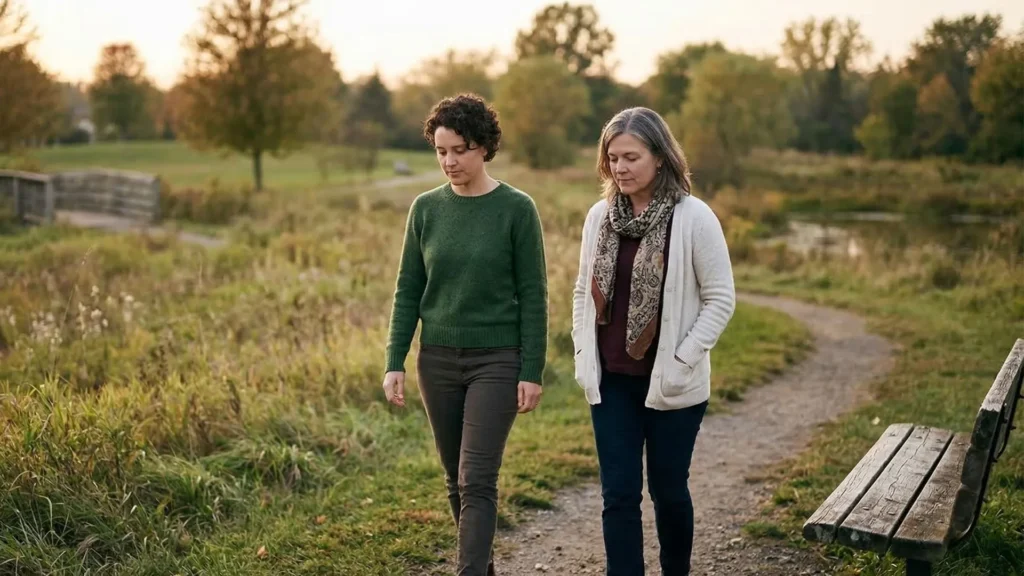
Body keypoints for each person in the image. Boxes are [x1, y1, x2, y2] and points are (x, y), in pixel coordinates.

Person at [382, 93, 548, 576]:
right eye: (441, 151)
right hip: (436, 360)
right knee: (455, 480)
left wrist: (531, 368)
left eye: (460, 149)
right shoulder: (425, 210)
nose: (449, 161)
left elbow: (534, 295)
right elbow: (408, 289)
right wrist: (395, 359)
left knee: (477, 479)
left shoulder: (517, 209)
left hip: (496, 359)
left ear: (485, 147)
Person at [571, 107, 736, 575]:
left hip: (673, 386)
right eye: (612, 158)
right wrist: (584, 351)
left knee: (668, 490)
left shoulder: (693, 217)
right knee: (618, 495)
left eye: (631, 157)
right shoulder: (599, 217)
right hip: (612, 382)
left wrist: (683, 359)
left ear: (660, 157)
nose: (620, 168)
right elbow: (584, 289)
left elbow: (720, 300)